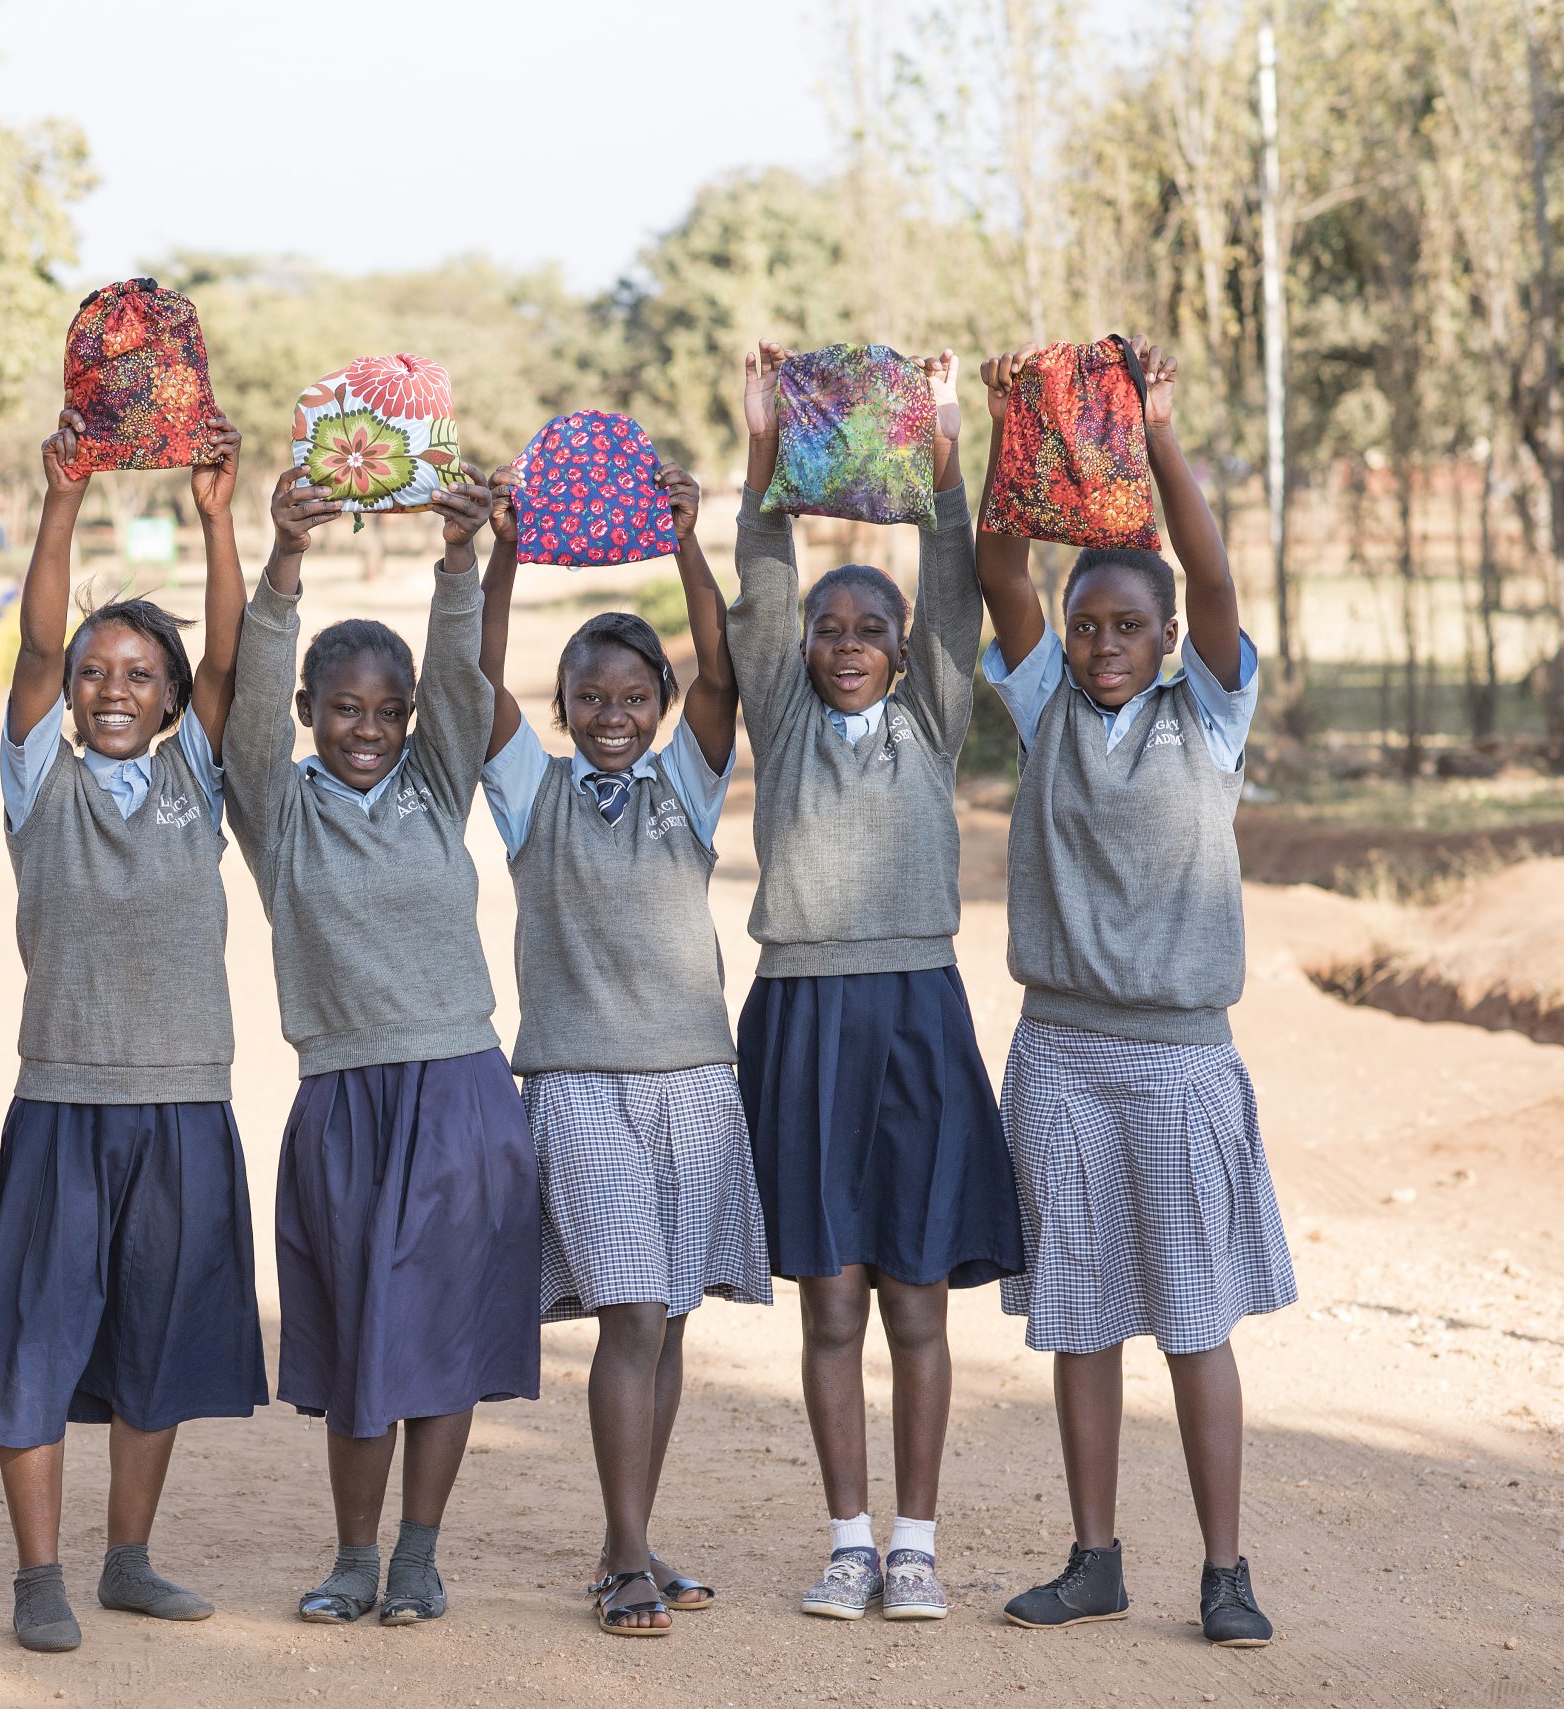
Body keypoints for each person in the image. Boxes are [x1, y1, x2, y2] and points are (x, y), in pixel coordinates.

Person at [975, 338, 1296, 1648]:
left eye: (1127, 628)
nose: (1102, 644)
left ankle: (1225, 1569)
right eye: (1086, 624)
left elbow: (1213, 572)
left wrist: (1156, 433)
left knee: (1192, 1321)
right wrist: (1015, 427)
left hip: (1177, 1062)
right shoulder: (1047, 702)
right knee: (1082, 1317)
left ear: (1170, 642)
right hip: (1059, 1052)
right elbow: (999, 564)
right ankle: (1093, 1553)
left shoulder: (1206, 716)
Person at [728, 341, 1021, 1623]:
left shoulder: (930, 718)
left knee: (914, 1297)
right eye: (828, 631)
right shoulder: (782, 723)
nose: (844, 644)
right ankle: (845, 1538)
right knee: (832, 1298)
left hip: (913, 1013)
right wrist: (759, 452)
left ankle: (916, 1541)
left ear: (905, 651)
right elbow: (757, 582)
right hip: (804, 1017)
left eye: (870, 630)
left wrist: (950, 447)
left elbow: (955, 586)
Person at [0, 408, 267, 1654]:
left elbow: (231, 662)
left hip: (185, 1095)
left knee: (158, 1330)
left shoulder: (197, 773)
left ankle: (127, 1556)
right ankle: (39, 1572)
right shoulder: (40, 775)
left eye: (138, 674)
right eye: (98, 672)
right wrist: (61, 500)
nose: (111, 688)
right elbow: (34, 643)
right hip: (63, 1099)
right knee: (39, 1333)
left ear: (166, 697)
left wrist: (213, 519)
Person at [228, 464, 537, 1630]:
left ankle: (418, 1553)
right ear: (310, 709)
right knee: (363, 1336)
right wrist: (283, 564)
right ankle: (352, 1555)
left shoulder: (432, 783)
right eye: (343, 707)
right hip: (343, 1099)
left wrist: (460, 558)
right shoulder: (276, 807)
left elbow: (463, 676)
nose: (367, 728)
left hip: (459, 1089)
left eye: (386, 710)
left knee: (444, 1333)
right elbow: (247, 708)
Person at [477, 461, 771, 1637]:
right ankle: (631, 1556)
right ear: (563, 709)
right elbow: (468, 675)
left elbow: (725, 668)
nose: (612, 716)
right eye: (589, 699)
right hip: (578, 1085)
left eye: (631, 697)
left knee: (674, 1323)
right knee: (633, 1313)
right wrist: (502, 547)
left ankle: (625, 1544)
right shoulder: (527, 795)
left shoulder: (685, 791)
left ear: (656, 702)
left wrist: (690, 543)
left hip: (695, 1083)